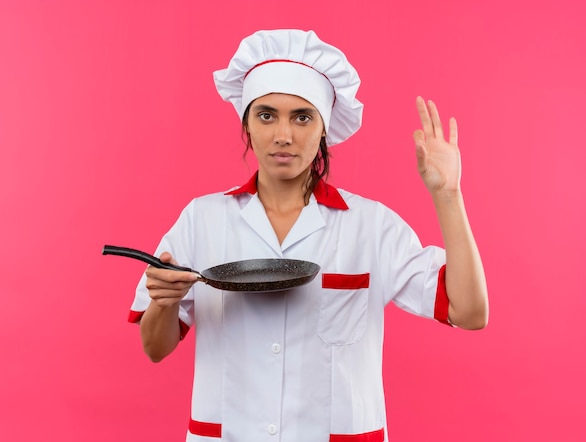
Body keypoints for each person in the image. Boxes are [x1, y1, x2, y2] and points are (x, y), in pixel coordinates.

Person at [130, 29, 488, 442]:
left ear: (324, 129)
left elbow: (470, 313)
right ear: (246, 121)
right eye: (266, 115)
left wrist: (448, 196)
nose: (284, 134)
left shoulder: (370, 225)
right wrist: (164, 300)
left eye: (302, 116)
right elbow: (155, 348)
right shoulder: (202, 219)